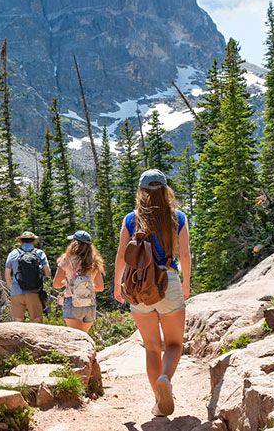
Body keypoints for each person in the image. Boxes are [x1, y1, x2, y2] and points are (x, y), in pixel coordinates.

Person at [114, 169, 191, 418]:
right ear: (165, 191)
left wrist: (118, 286)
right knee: (174, 344)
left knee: (150, 347)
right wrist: (186, 283)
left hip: (139, 287)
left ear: (141, 191)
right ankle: (165, 378)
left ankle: (159, 403)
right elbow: (185, 255)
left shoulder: (130, 219)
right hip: (168, 280)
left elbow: (120, 256)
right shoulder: (177, 217)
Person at [52, 230, 105, 333]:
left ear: (74, 244)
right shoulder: (94, 262)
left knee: (76, 339)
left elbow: (56, 284)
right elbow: (100, 287)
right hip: (89, 304)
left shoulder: (67, 260)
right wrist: (85, 287)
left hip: (72, 303)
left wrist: (70, 284)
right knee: (84, 336)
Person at [4, 231, 51, 323]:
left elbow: (7, 275)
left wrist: (12, 289)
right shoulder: (40, 253)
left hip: (16, 292)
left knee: (18, 322)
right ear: (34, 241)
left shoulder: (13, 254)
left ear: (21, 241)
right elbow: (48, 273)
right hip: (34, 291)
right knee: (37, 320)